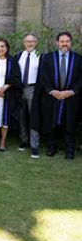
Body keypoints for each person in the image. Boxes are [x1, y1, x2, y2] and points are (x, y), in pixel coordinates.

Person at [39, 32, 82, 160]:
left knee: (70, 124)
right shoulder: (47, 58)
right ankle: (51, 147)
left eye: (67, 41)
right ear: (57, 43)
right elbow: (44, 77)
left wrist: (72, 91)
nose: (64, 44)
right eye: (62, 41)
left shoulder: (78, 59)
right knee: (52, 123)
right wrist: (52, 91)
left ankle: (70, 150)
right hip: (53, 97)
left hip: (71, 98)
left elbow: (80, 79)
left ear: (70, 43)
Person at [15, 33, 42, 158]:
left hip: (33, 88)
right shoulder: (19, 56)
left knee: (33, 117)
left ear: (36, 43)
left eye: (32, 41)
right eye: (27, 41)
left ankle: (34, 145)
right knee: (21, 116)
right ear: (23, 43)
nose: (29, 43)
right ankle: (24, 140)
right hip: (20, 89)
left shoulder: (40, 56)